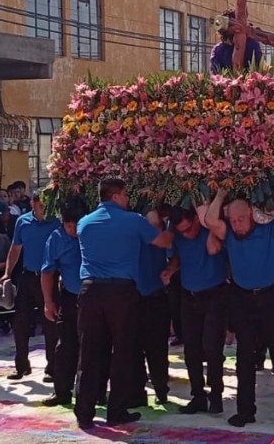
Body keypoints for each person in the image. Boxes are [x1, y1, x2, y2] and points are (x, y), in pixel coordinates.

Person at [74, 178, 173, 429]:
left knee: (89, 353)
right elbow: (163, 242)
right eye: (126, 195)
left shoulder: (84, 223)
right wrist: (174, 223)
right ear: (117, 196)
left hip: (89, 291)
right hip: (121, 291)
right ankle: (116, 410)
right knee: (123, 352)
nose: (128, 200)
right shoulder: (133, 221)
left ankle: (84, 412)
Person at [205, 189, 274, 427]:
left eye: (241, 219)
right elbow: (210, 220)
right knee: (244, 357)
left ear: (252, 215)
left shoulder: (268, 230)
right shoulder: (229, 235)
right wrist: (220, 194)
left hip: (273, 297)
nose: (237, 225)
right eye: (233, 220)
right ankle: (245, 411)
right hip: (243, 298)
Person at [164, 206, 228, 415]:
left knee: (212, 347)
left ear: (196, 220)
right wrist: (170, 270)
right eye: (181, 231)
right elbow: (178, 257)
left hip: (215, 296)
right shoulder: (180, 237)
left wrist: (207, 221)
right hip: (189, 296)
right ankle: (198, 395)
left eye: (189, 228)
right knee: (190, 349)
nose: (186, 234)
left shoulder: (211, 231)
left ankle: (216, 395)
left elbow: (214, 250)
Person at [0, 191, 61, 382]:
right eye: (42, 204)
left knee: (50, 323)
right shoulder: (22, 222)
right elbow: (15, 248)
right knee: (20, 322)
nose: (46, 209)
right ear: (34, 204)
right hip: (28, 276)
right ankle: (21, 365)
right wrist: (7, 274)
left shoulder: (56, 222)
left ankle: (52, 367)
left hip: (50, 277)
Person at [41, 198, 89, 407]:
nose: (73, 230)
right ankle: (62, 392)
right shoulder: (57, 238)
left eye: (76, 226)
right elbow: (47, 272)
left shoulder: (92, 233)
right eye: (68, 226)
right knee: (65, 347)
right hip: (69, 296)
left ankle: (93, 392)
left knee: (92, 347)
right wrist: (48, 301)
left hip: (93, 296)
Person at [129, 208, 172, 407]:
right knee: (133, 347)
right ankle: (137, 392)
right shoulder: (133, 236)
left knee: (158, 348)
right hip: (133, 296)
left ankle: (161, 389)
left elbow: (173, 246)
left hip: (156, 297)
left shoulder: (162, 238)